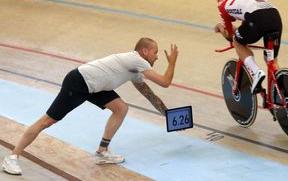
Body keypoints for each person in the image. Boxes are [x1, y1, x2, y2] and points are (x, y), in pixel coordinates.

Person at [2, 37, 178, 175]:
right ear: (144, 51)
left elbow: (149, 94)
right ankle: (12, 157)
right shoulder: (136, 60)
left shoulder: (135, 68)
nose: (157, 56)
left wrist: (169, 116)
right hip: (78, 82)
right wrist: (172, 62)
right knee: (47, 121)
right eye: (155, 52)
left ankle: (102, 152)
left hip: (97, 87)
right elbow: (165, 82)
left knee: (121, 108)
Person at [214, 0, 282, 93]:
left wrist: (219, 27)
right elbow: (244, 29)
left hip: (256, 18)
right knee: (271, 60)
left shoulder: (223, 6)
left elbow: (230, 36)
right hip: (275, 17)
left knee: (237, 42)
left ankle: (256, 73)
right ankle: (281, 91)